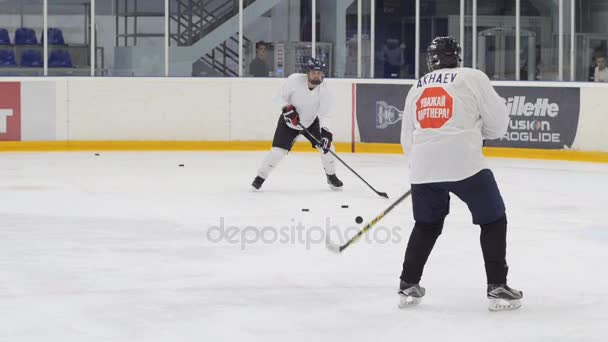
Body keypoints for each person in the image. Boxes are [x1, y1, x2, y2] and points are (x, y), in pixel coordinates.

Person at [398, 36, 522, 311]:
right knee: (493, 220)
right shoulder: (472, 77)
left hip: (423, 166)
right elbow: (498, 124)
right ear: (456, 55)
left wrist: (421, 167)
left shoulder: (416, 86)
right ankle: (497, 287)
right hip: (465, 162)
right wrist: (479, 135)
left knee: (426, 225)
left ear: (430, 59)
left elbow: (407, 137)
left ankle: (408, 284)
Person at [251, 58, 342, 191]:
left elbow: (325, 114)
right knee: (277, 153)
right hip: (289, 123)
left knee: (328, 149)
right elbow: (278, 97)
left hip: (311, 123)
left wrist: (326, 133)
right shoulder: (294, 80)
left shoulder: (325, 90)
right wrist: (286, 109)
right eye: (313, 73)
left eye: (319, 73)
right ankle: (259, 178)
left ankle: (331, 176)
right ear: (307, 73)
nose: (316, 75)